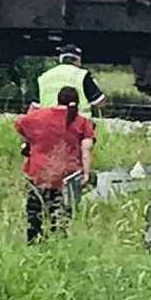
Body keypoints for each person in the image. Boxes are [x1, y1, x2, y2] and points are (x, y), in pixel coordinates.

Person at [14, 86, 95, 243]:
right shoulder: (83, 123)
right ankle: (57, 244)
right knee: (61, 216)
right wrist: (85, 173)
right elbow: (86, 149)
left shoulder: (38, 117)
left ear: (58, 99)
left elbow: (20, 127)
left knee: (35, 212)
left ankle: (33, 242)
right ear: (77, 103)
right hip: (67, 177)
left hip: (38, 173)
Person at [37, 44, 106, 117]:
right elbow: (99, 102)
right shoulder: (82, 75)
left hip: (48, 123)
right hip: (77, 124)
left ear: (61, 59)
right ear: (78, 60)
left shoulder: (44, 76)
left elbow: (34, 106)